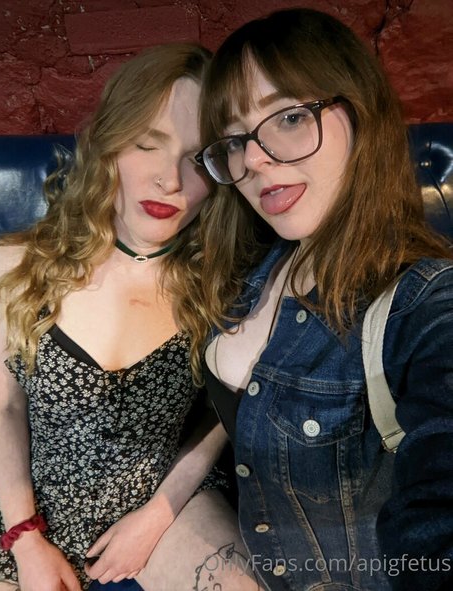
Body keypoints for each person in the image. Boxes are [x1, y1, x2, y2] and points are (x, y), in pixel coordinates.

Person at [196, 8, 453, 591]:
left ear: (360, 115)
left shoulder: (422, 303)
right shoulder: (254, 270)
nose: (253, 159)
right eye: (235, 140)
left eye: (289, 117)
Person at [0, 44, 260, 591]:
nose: (170, 181)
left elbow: (223, 413)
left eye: (197, 159)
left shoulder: (227, 282)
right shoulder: (16, 265)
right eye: (147, 144)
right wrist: (25, 538)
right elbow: (2, 407)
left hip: (165, 499)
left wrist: (158, 514)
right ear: (109, 145)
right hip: (24, 511)